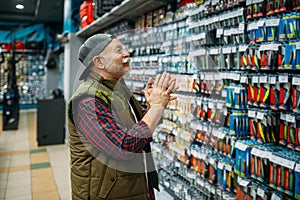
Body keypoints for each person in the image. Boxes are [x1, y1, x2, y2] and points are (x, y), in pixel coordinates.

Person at [67, 33, 178, 200]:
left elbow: (137, 130)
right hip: (106, 194)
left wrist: (151, 106)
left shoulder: (117, 89)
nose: (126, 54)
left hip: (129, 187)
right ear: (99, 62)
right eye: (118, 50)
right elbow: (124, 147)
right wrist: (157, 106)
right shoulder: (87, 100)